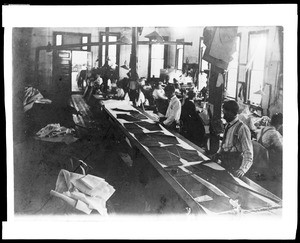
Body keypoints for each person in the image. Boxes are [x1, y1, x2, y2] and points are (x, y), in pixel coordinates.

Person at [212, 100, 253, 178]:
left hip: (235, 165)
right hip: (225, 161)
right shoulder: (229, 125)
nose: (223, 116)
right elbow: (225, 143)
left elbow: (248, 152)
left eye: (225, 114)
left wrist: (242, 169)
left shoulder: (242, 128)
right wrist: (218, 153)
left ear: (232, 112)